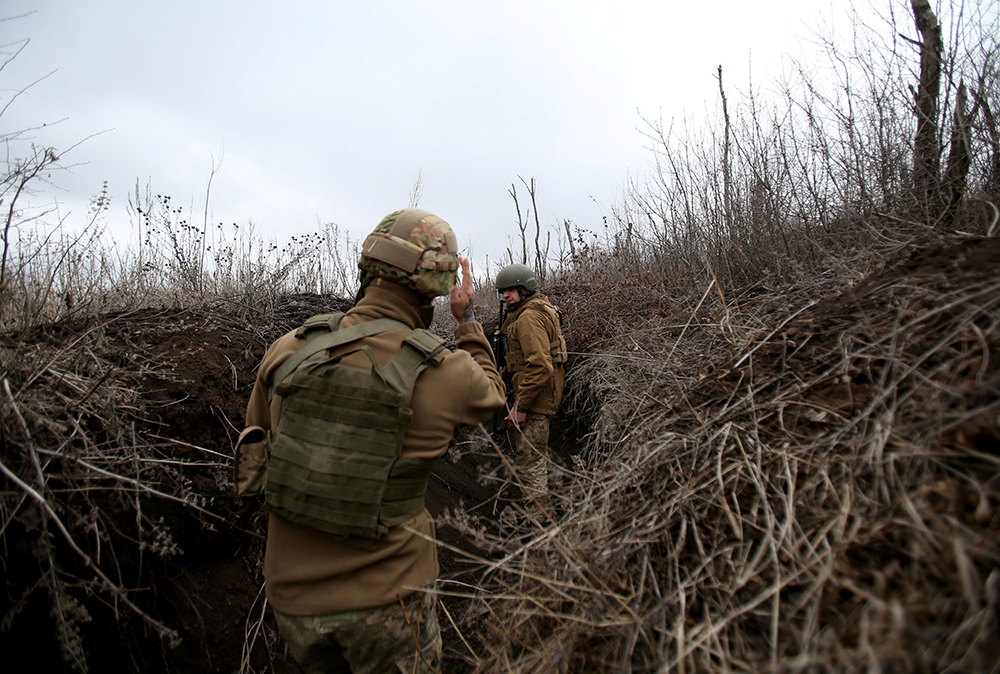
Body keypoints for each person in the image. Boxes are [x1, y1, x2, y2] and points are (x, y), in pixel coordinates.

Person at [236, 208, 505, 674]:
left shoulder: (288, 350)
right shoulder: (449, 373)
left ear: (368, 266)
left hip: (290, 598)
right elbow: (493, 396)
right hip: (389, 601)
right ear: (436, 286)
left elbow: (254, 458)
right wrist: (467, 322)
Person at [495, 263, 567, 509]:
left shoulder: (528, 317)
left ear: (525, 289)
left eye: (511, 290)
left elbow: (540, 366)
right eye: (502, 291)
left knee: (530, 464)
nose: (505, 295)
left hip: (535, 400)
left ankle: (540, 527)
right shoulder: (536, 309)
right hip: (539, 396)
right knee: (534, 461)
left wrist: (520, 406)